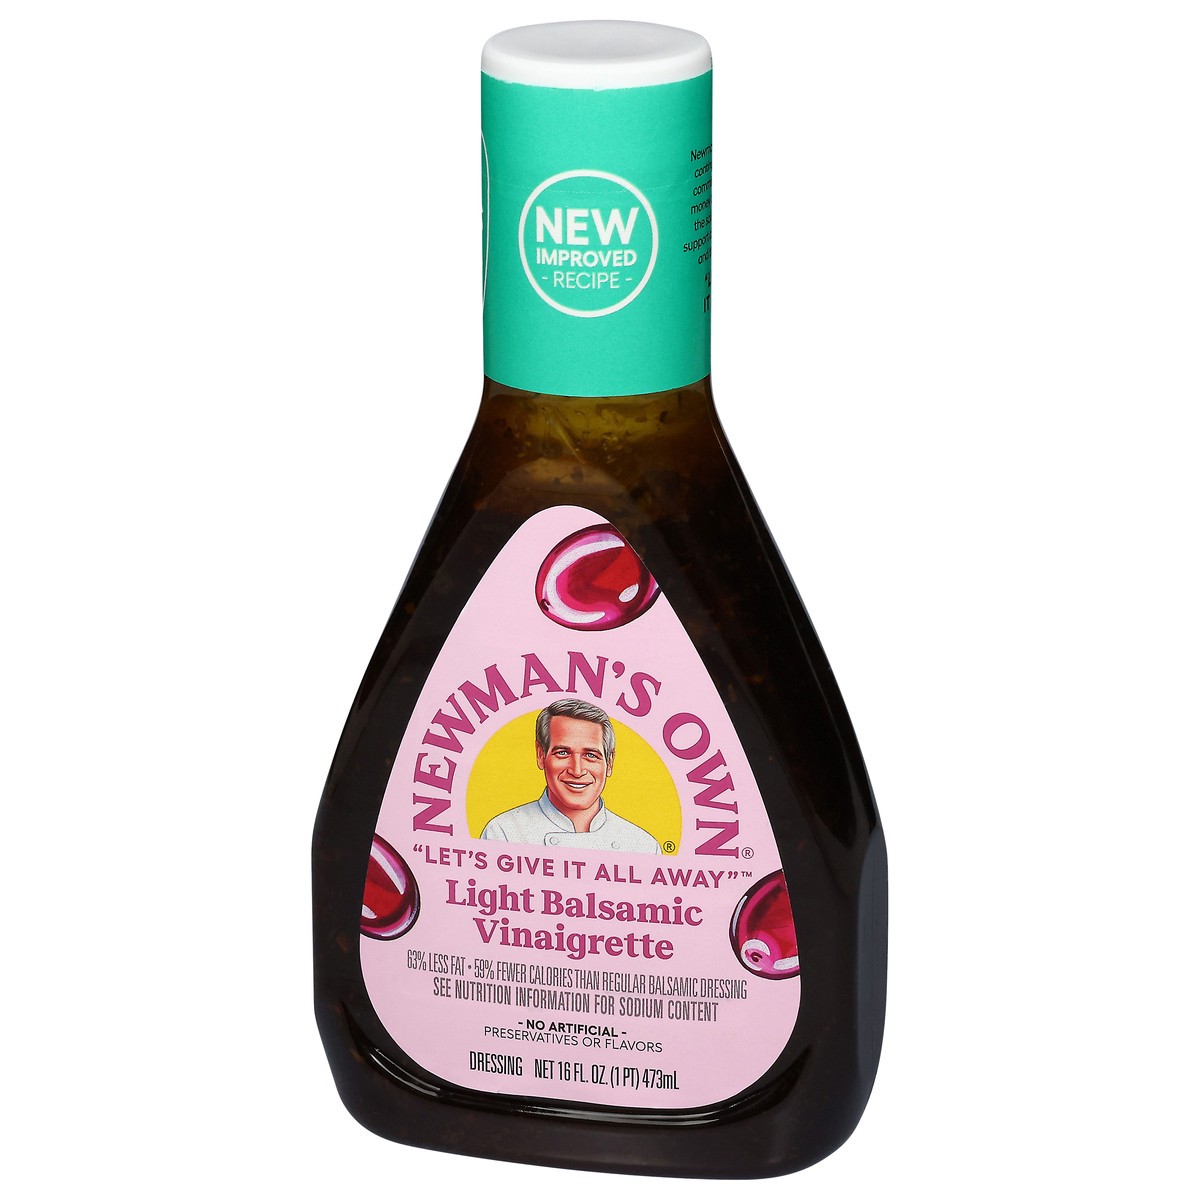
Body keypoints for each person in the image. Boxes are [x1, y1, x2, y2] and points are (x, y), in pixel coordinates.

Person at [480, 698, 660, 853]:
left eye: (591, 755)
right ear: (541, 755)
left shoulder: (643, 846)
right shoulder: (503, 834)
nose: (577, 771)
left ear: (610, 763)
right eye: (563, 753)